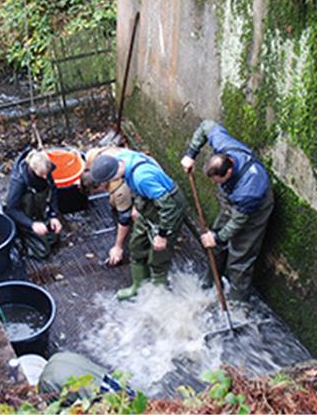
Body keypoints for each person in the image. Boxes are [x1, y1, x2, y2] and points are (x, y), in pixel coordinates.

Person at [181, 119, 273, 301]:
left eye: (217, 182)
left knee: (240, 257)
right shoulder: (225, 147)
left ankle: (237, 302)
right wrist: (191, 154)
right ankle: (211, 279)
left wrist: (217, 238)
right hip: (233, 198)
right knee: (215, 238)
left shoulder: (249, 191)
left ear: (229, 171)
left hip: (253, 210)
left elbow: (238, 222)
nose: (215, 185)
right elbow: (206, 125)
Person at [90, 149, 186, 300]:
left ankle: (158, 297)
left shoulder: (141, 178)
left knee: (158, 256)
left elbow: (168, 207)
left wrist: (162, 235)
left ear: (111, 178)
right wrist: (137, 205)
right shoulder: (119, 159)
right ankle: (138, 287)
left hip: (167, 210)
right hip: (148, 205)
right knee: (136, 246)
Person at [5, 148, 63, 259]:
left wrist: (54, 215)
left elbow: (53, 192)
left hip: (39, 211)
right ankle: (22, 239)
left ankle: (42, 225)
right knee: (42, 251)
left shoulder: (46, 170)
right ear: (32, 169)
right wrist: (32, 224)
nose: (46, 177)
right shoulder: (19, 181)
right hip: (24, 216)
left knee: (54, 236)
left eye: (47, 174)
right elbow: (11, 210)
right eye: (42, 175)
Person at [81, 146, 135, 267]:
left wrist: (118, 247)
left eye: (96, 192)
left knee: (133, 214)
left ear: (101, 185)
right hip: (126, 158)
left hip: (139, 176)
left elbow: (124, 218)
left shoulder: (121, 190)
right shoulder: (92, 156)